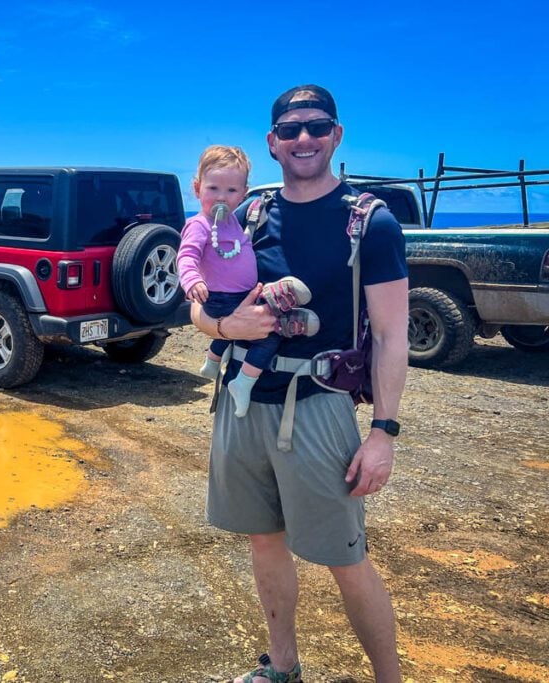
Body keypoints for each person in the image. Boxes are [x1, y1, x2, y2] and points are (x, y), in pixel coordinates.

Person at [192, 85, 408, 682]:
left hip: (317, 407)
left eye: (317, 127)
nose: (304, 139)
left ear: (337, 134)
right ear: (272, 143)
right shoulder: (247, 214)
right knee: (264, 542)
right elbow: (203, 300)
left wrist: (383, 432)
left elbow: (392, 335)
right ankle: (282, 668)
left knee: (348, 559)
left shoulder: (371, 224)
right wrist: (218, 323)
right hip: (241, 401)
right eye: (290, 130)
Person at [178, 145, 319, 417]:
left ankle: (212, 360)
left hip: (240, 293)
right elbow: (186, 256)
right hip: (220, 297)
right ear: (197, 189)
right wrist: (192, 279)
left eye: (231, 191)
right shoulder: (200, 225)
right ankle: (244, 383)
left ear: (243, 194)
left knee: (239, 329)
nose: (222, 197)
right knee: (267, 337)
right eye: (213, 189)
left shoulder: (233, 222)